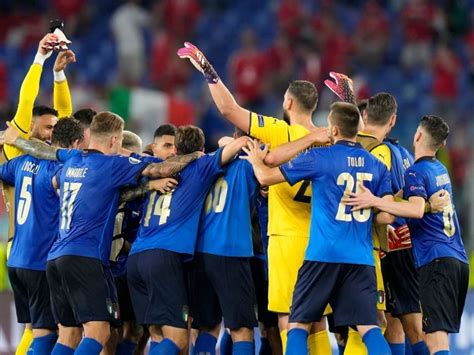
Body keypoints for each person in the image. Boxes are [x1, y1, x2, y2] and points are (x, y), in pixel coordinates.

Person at [178, 42, 343, 354]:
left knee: (288, 320)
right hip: (321, 238)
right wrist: (348, 98)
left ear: (288, 102)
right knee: (318, 320)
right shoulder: (327, 138)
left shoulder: (279, 131)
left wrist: (209, 71)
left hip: (285, 238)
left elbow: (229, 111)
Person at [3, 112, 202, 355]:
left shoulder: (73, 158)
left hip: (55, 258)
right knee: (99, 333)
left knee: (69, 334)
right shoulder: (113, 164)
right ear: (114, 140)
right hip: (85, 258)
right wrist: (197, 156)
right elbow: (164, 169)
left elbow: (44, 152)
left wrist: (17, 140)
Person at [241, 102, 393, 355]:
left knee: (298, 324)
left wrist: (257, 161)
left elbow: (266, 178)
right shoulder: (376, 165)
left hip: (323, 255)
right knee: (370, 328)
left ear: (333, 130)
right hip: (361, 257)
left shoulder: (320, 157)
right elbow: (387, 216)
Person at [344, 115, 470, 355]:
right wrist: (390, 199)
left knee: (435, 340)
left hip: (437, 261)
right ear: (442, 145)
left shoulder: (415, 172)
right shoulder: (440, 169)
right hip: (458, 261)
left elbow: (415, 209)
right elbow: (412, 200)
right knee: (424, 331)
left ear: (418, 136)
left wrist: (372, 200)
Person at [127, 126, 252, 355]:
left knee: (158, 333)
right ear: (202, 149)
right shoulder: (202, 166)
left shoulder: (157, 169)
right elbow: (233, 149)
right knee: (179, 339)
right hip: (165, 257)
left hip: (136, 256)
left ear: (174, 148)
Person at [1, 33, 74, 355]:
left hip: (19, 251)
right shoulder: (15, 148)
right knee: (45, 330)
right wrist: (39, 59)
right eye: (46, 128)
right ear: (26, 128)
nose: (51, 135)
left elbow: (66, 125)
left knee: (38, 329)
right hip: (31, 248)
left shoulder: (30, 159)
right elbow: (26, 101)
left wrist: (59, 77)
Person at [1, 118, 83, 355]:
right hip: (39, 261)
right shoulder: (59, 168)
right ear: (75, 144)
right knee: (50, 333)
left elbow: (3, 172)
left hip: (16, 260)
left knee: (37, 331)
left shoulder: (22, 162)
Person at [189, 130, 259, 355]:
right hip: (231, 250)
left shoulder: (207, 162)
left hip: (201, 252)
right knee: (242, 329)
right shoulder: (250, 164)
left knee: (208, 326)